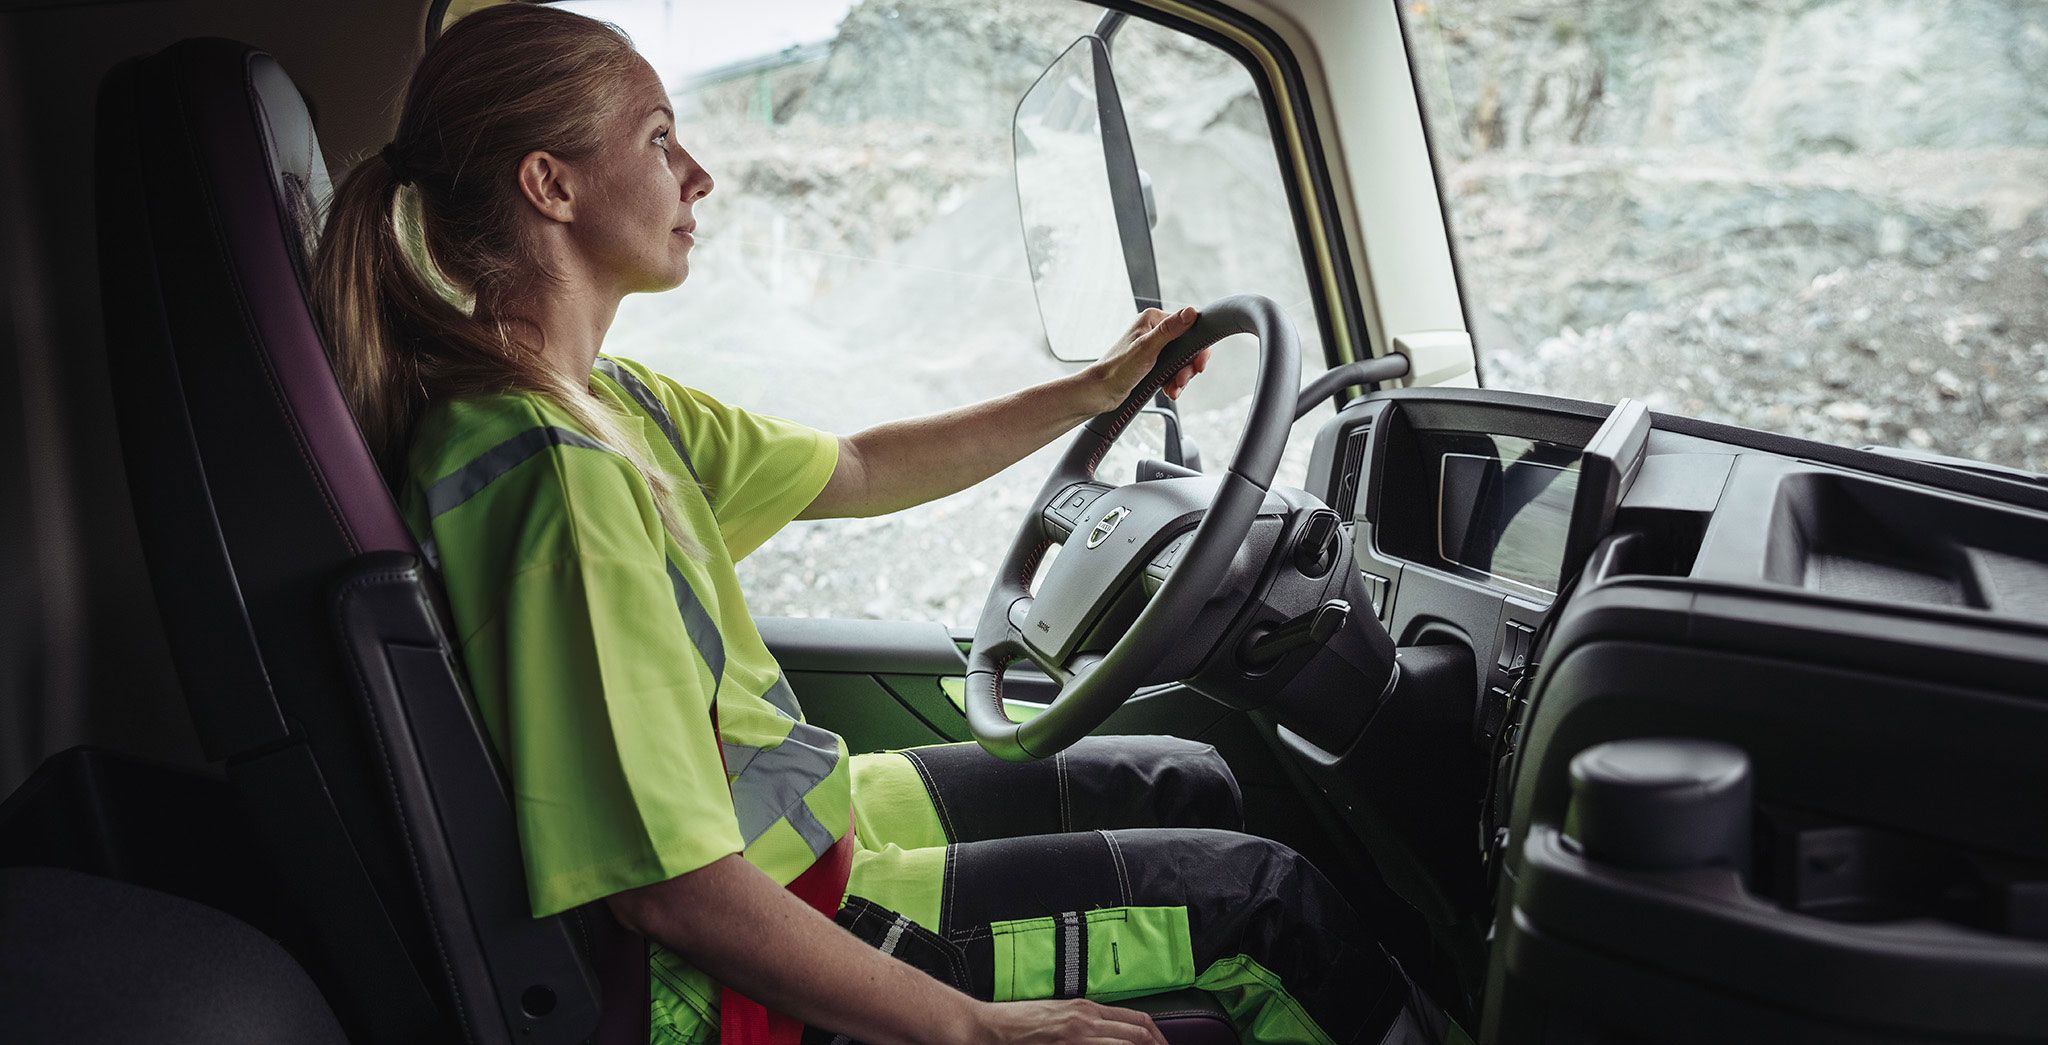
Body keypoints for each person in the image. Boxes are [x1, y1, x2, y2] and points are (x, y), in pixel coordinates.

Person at [313, 5, 1421, 1044]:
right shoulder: (546, 473)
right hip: (731, 953)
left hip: (792, 833)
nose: (699, 173)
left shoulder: (607, 403)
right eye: (658, 141)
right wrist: (971, 1027)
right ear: (550, 184)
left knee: (1176, 773)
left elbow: (855, 465)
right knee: (1272, 909)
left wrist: (1092, 391)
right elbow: (670, 891)